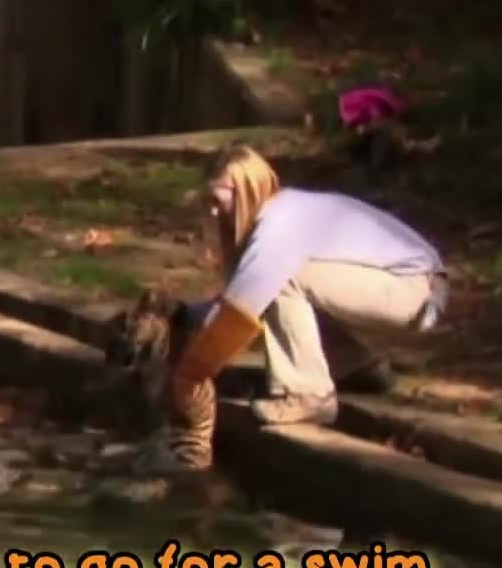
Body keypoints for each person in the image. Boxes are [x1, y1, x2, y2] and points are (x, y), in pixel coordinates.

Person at [169, 146, 448, 427]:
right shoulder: (284, 212)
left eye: (218, 200)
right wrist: (186, 314)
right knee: (281, 280)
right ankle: (355, 366)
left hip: (414, 292)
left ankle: (308, 395)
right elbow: (240, 294)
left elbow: (241, 309)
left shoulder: (279, 225)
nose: (215, 213)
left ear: (245, 189)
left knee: (283, 279)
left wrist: (190, 374)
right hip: (413, 285)